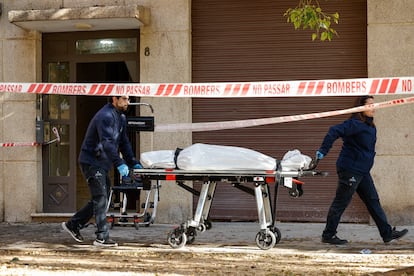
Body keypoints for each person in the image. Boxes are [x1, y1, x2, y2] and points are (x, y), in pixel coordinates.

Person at [316, 95, 408, 245]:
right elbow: (334, 130)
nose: (373, 107)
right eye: (370, 104)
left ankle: (387, 233)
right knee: (341, 202)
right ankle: (328, 235)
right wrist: (323, 150)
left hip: (362, 170)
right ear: (361, 107)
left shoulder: (369, 125)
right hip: (351, 169)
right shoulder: (355, 124)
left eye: (374, 104)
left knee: (373, 201)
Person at [62, 95, 142, 247]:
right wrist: (119, 163)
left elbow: (124, 142)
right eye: (124, 99)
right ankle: (102, 237)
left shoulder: (121, 118)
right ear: (114, 98)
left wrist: (132, 162)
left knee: (101, 199)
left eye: (129, 99)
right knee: (100, 198)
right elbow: (107, 143)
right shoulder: (105, 116)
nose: (128, 102)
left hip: (101, 164)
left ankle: (73, 225)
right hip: (91, 162)